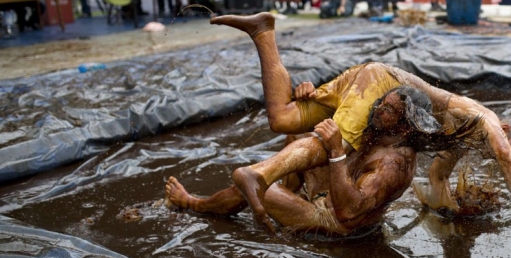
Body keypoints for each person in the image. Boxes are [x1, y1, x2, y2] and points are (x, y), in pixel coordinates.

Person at [208, 12, 511, 243]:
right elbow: (506, 156)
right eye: (506, 146)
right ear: (504, 128)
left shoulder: (458, 139)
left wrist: (452, 212)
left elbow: (437, 180)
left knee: (283, 118)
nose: (495, 156)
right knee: (328, 143)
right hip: (383, 84)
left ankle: (263, 33)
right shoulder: (482, 119)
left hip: (376, 81)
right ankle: (258, 174)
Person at [166, 86, 444, 236]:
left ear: (405, 127)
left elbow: (348, 212)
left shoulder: (394, 163)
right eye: (382, 102)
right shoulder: (382, 129)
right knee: (298, 137)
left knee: (259, 184)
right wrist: (312, 94)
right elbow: (338, 106)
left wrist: (336, 151)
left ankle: (194, 203)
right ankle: (288, 196)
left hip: (335, 223)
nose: (378, 109)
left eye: (388, 110)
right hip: (333, 195)